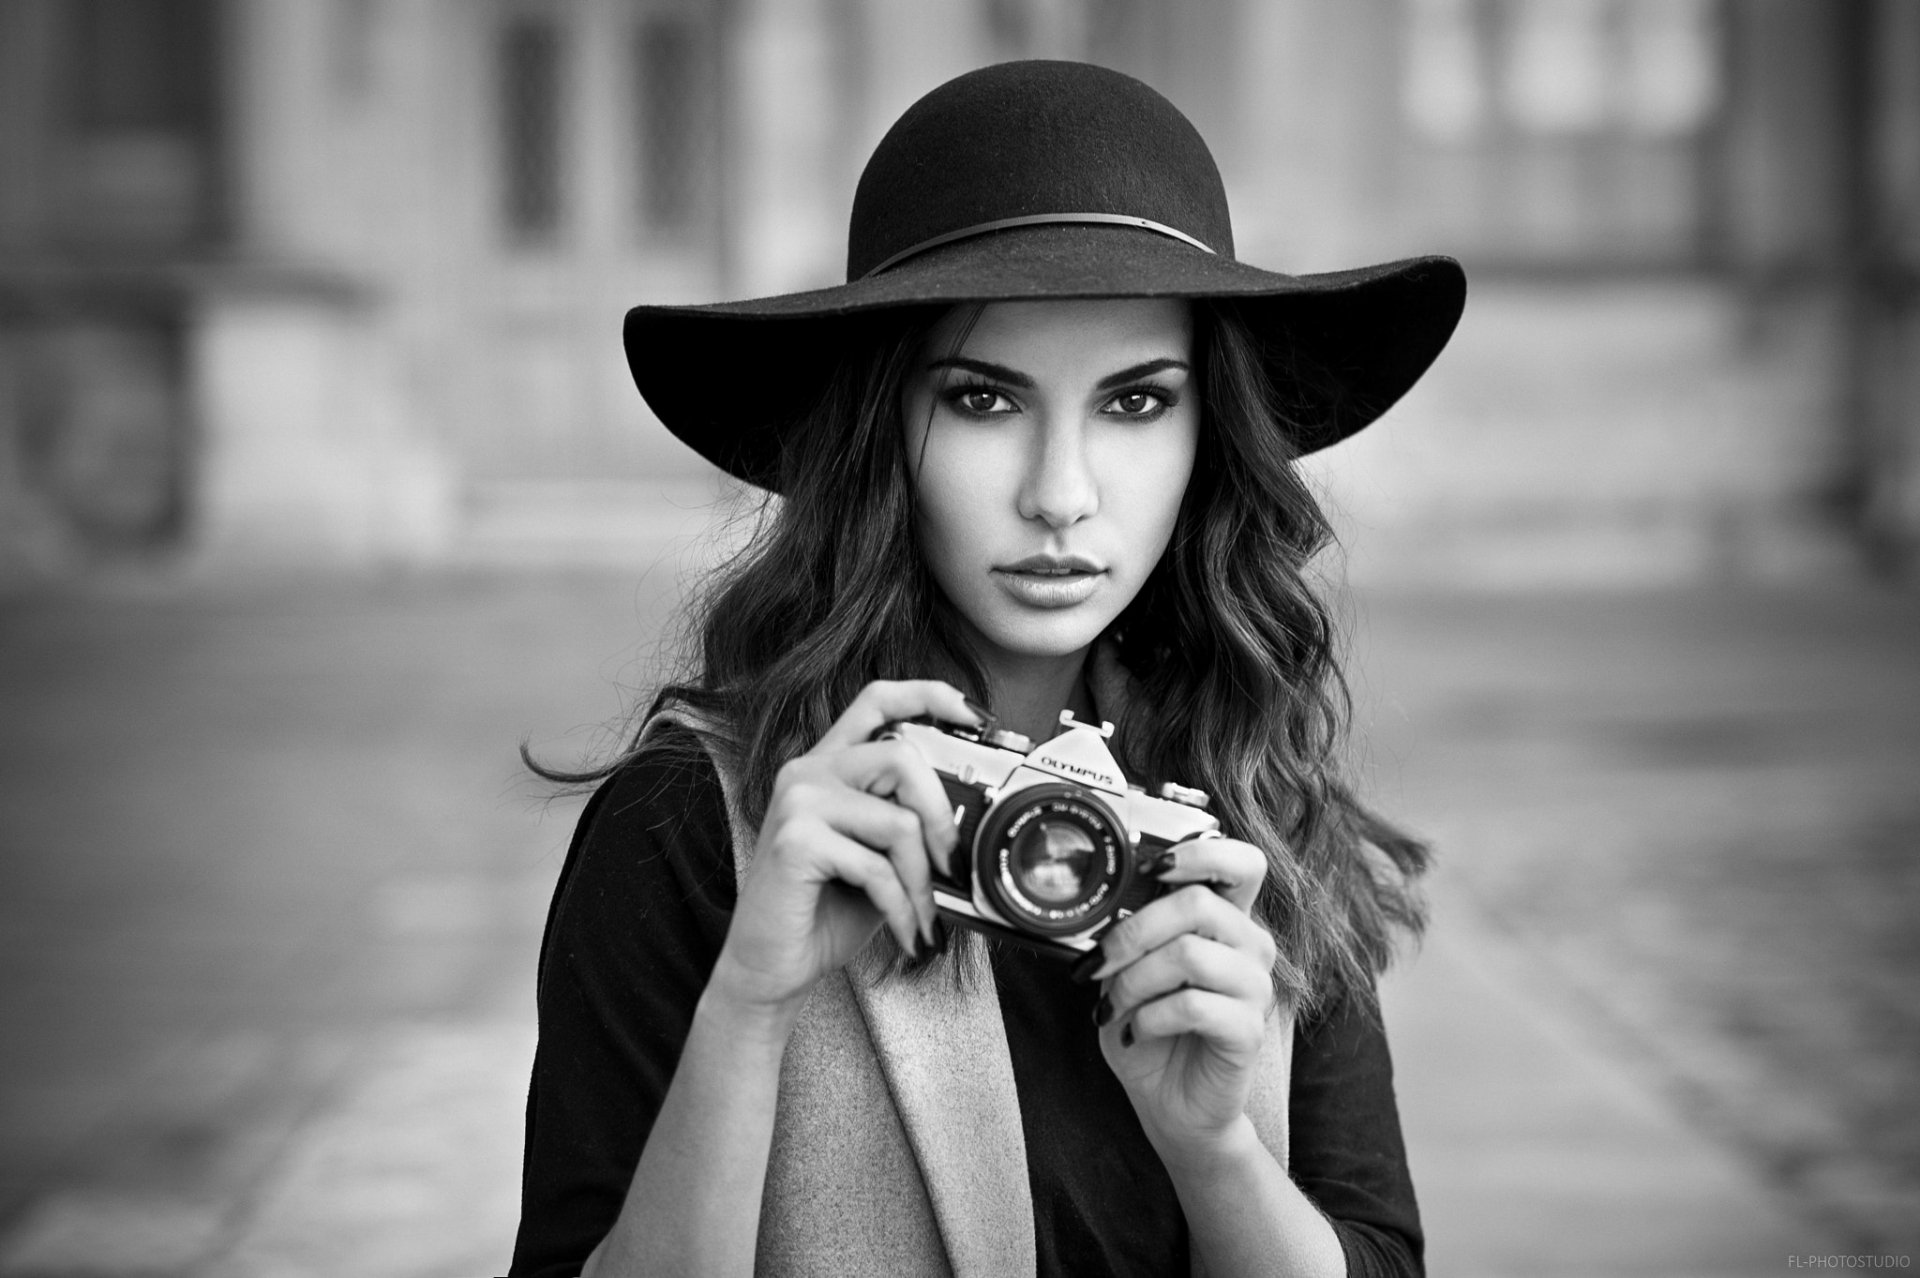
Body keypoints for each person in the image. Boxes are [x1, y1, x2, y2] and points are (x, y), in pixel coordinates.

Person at [509, 60, 1465, 1278]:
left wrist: (1212, 1146)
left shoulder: (1255, 799)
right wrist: (748, 1005)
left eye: (1134, 402)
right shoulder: (702, 823)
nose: (1060, 497)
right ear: (879, 436)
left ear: (1206, 439)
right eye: (980, 399)